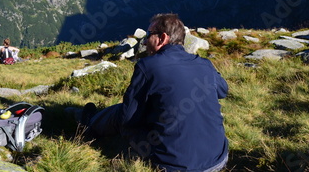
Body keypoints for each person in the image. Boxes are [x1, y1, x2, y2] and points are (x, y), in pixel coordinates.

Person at [79, 13, 229, 172]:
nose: (144, 40)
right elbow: (223, 90)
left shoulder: (148, 66)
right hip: (218, 160)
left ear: (162, 38)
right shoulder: (204, 64)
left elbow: (127, 118)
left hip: (173, 165)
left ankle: (89, 126)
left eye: (149, 34)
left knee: (121, 112)